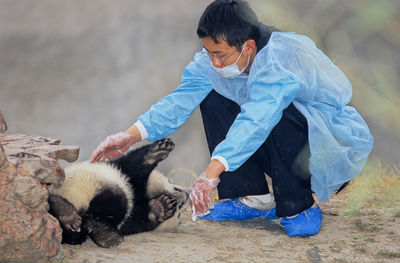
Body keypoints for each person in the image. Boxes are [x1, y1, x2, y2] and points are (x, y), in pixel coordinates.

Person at [90, 0, 373, 237]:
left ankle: (298, 204)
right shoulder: (217, 63)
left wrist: (212, 172)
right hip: (270, 137)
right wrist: (131, 135)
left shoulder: (282, 59)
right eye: (209, 52)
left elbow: (258, 118)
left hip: (323, 144)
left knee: (281, 111)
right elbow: (180, 99)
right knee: (211, 94)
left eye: (220, 55)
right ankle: (253, 197)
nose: (214, 62)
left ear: (248, 46)